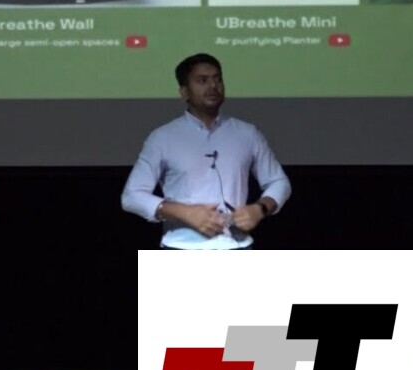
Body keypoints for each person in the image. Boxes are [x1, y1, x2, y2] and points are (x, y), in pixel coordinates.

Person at [121, 53, 292, 249]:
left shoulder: (247, 133)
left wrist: (260, 208)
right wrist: (185, 212)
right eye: (202, 80)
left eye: (217, 79)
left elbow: (279, 182)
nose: (213, 86)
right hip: (181, 248)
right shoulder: (162, 137)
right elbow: (132, 196)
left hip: (238, 247)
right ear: (184, 92)